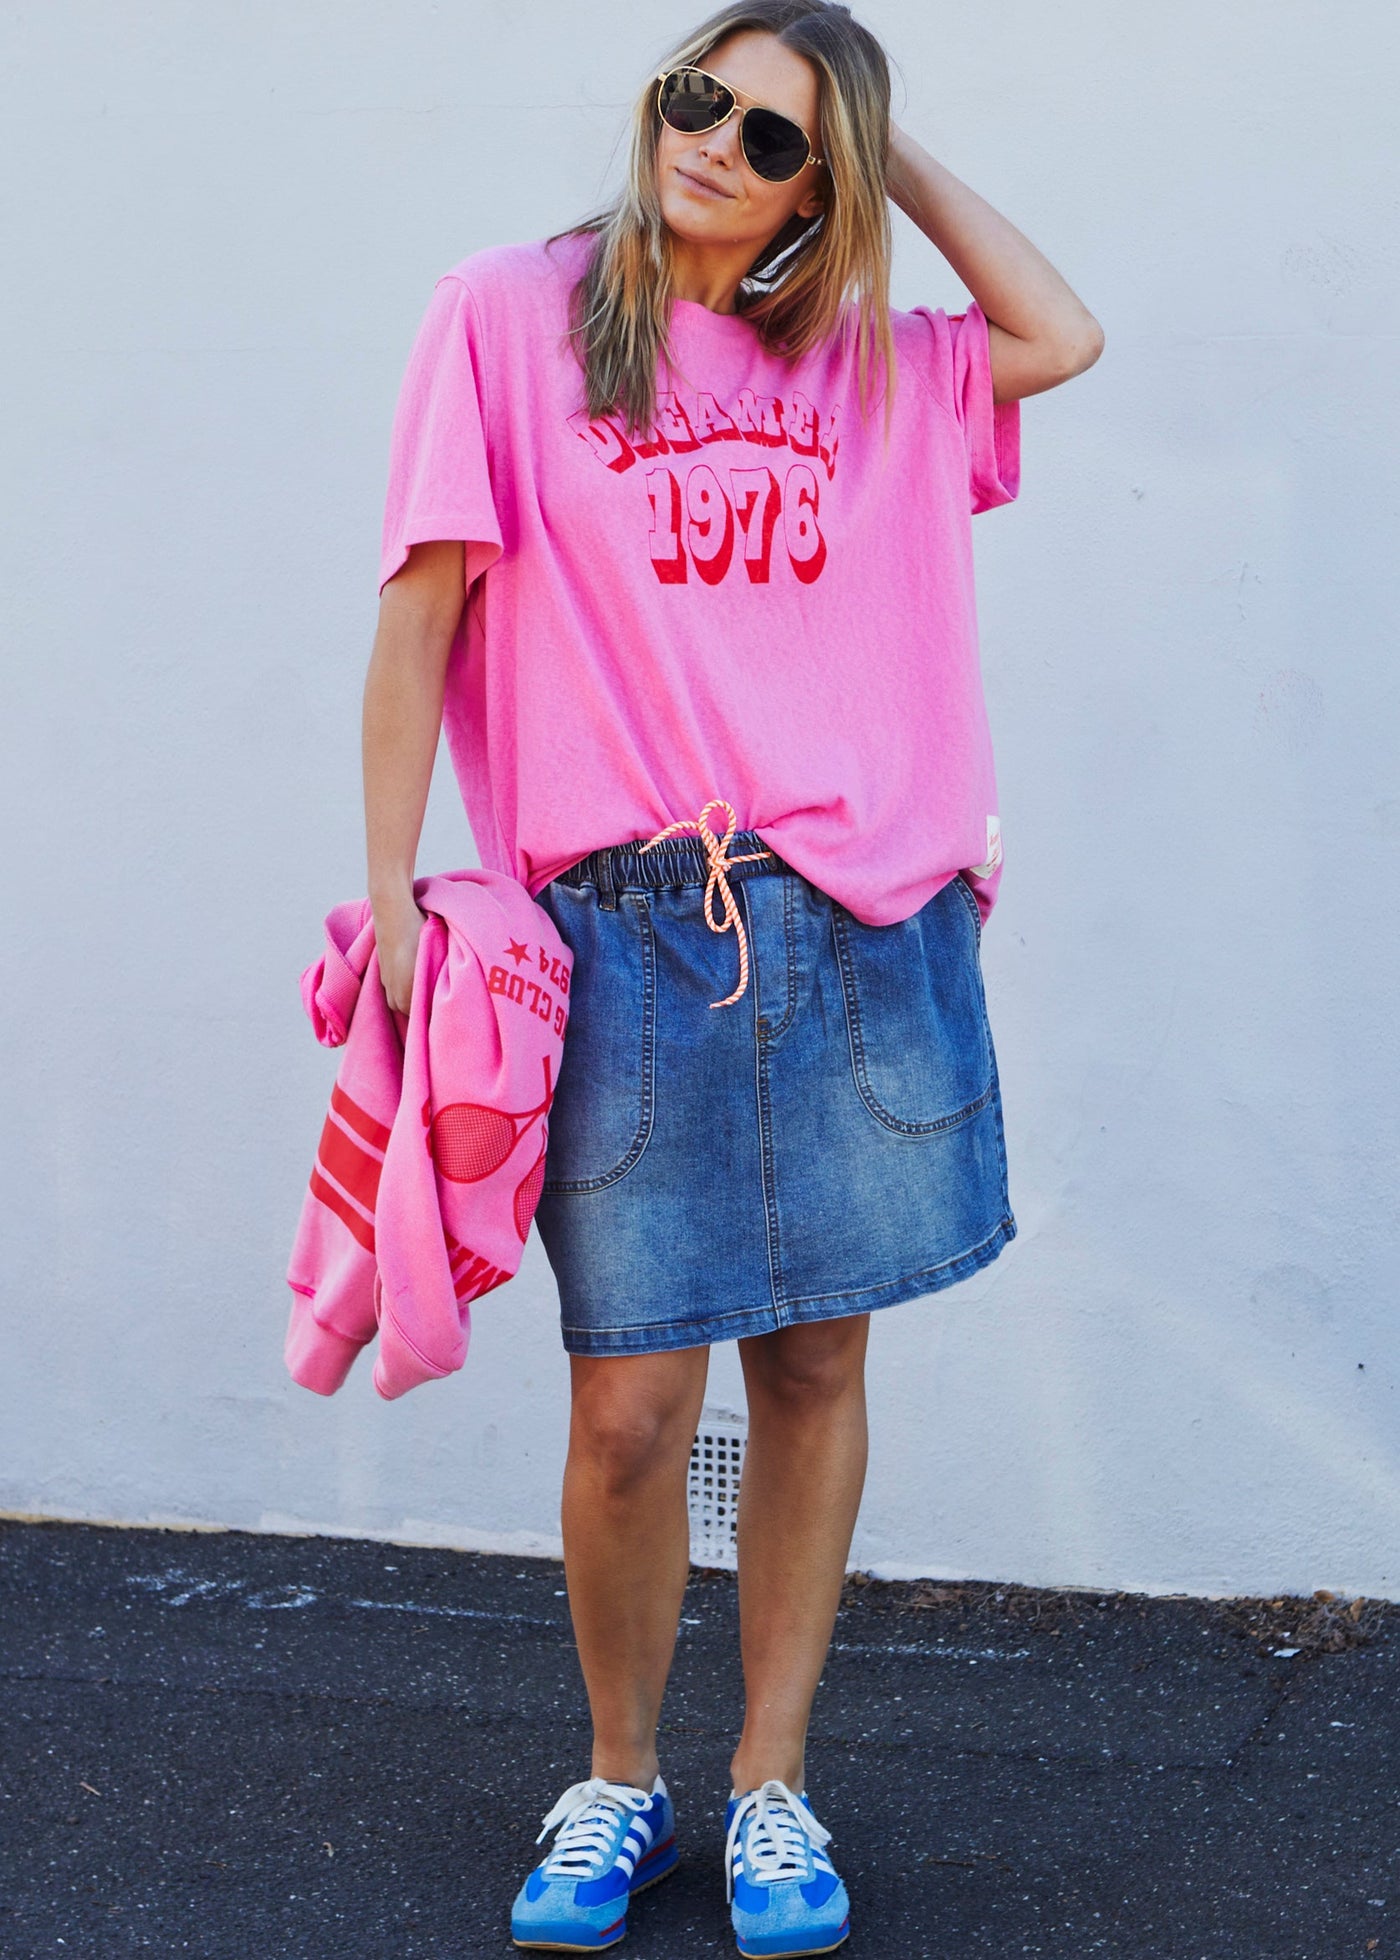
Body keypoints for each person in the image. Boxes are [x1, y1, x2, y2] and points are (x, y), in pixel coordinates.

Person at [362, 3, 1102, 1951]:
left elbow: (1060, 332)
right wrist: (386, 897)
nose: (713, 145)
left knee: (817, 1357)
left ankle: (773, 1774)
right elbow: (419, 605)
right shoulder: (513, 317)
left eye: (774, 138)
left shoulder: (860, 362)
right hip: (622, 931)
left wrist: (891, 164)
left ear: (819, 183)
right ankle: (620, 1770)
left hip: (852, 912)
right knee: (622, 1406)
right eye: (701, 98)